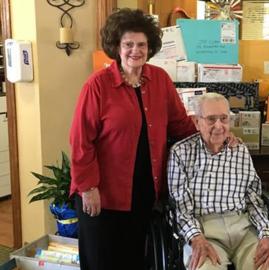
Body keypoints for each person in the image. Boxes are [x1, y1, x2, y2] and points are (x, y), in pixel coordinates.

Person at [69, 8, 198, 270]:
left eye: (142, 44)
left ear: (150, 47)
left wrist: (214, 134)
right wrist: (88, 188)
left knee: (135, 261)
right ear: (116, 46)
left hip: (142, 192)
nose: (135, 50)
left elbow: (180, 125)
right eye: (128, 44)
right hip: (102, 195)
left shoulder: (160, 80)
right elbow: (81, 140)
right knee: (100, 262)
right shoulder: (97, 86)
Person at [168, 93, 269, 270]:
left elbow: (254, 199)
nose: (219, 126)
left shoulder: (240, 151)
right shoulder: (180, 152)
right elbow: (181, 207)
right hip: (205, 230)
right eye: (211, 119)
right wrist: (196, 238)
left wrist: (267, 235)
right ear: (197, 122)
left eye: (224, 118)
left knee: (267, 266)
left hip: (243, 228)